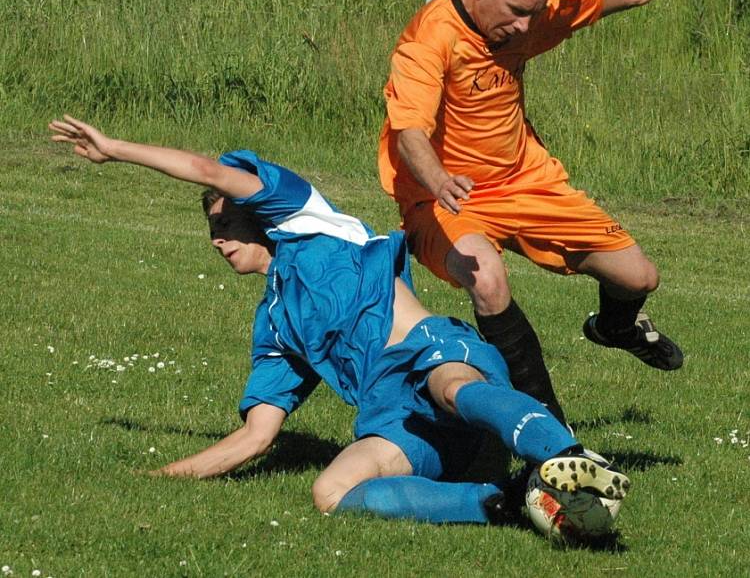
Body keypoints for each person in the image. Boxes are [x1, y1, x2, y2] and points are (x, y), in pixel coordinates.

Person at [49, 114, 630, 528]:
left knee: (452, 388)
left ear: (258, 216)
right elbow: (257, 436)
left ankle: (566, 457)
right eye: (212, 232)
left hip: (433, 351)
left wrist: (116, 149)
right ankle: (502, 502)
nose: (219, 240)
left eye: (227, 225)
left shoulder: (308, 221)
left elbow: (209, 168)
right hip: (393, 415)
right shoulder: (274, 325)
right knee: (330, 492)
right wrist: (161, 477)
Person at [378, 0, 684, 427]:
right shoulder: (430, 37)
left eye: (532, 13)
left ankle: (615, 328)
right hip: (448, 197)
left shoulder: (527, 16)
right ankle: (548, 431)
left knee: (638, 276)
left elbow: (577, 8)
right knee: (488, 279)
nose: (524, 26)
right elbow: (410, 129)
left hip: (526, 181)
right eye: (517, 11)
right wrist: (437, 179)